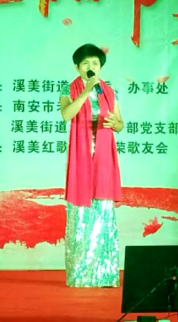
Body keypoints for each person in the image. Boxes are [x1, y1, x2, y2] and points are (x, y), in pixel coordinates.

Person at [60, 43, 124, 287]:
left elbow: (120, 123)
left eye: (95, 63)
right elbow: (66, 114)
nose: (91, 67)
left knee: (103, 213)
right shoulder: (69, 88)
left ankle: (105, 274)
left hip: (104, 158)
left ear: (100, 67)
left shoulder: (109, 91)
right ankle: (80, 275)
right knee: (81, 215)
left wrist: (115, 124)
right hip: (82, 157)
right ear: (77, 67)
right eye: (86, 63)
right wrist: (86, 91)